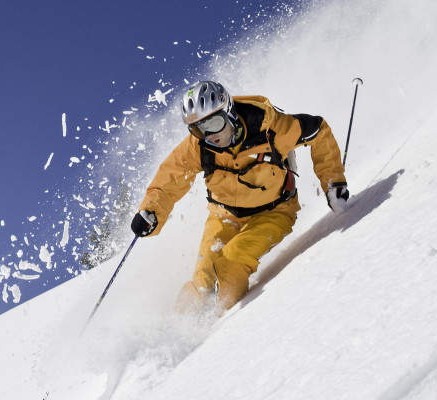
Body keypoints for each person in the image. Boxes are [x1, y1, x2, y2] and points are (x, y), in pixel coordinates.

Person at [130, 81, 349, 317]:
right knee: (203, 279)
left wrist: (333, 182)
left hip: (273, 213)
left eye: (214, 123)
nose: (209, 135)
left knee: (232, 262)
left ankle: (222, 329)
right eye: (198, 129)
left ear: (230, 112)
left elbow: (318, 131)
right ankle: (179, 332)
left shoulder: (271, 128)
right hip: (223, 216)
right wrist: (151, 212)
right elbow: (169, 180)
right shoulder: (199, 146)